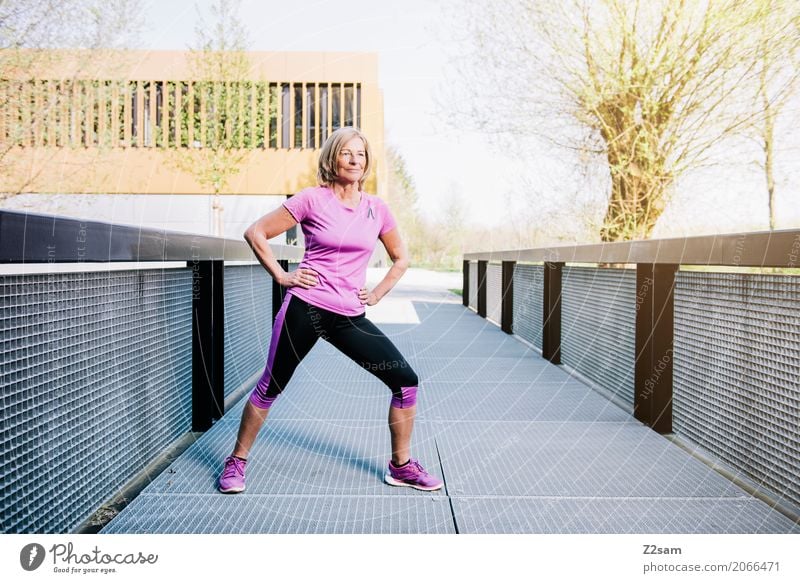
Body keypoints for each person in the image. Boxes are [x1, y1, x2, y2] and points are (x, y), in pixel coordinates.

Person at [217, 126, 443, 494]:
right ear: (332, 158)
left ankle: (401, 466)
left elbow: (401, 258)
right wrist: (281, 275)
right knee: (271, 385)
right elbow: (255, 232)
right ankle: (236, 462)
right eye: (347, 153)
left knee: (405, 381)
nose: (355, 160)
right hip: (306, 309)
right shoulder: (311, 200)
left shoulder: (376, 209)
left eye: (361, 154)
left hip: (349, 317)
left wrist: (378, 293)